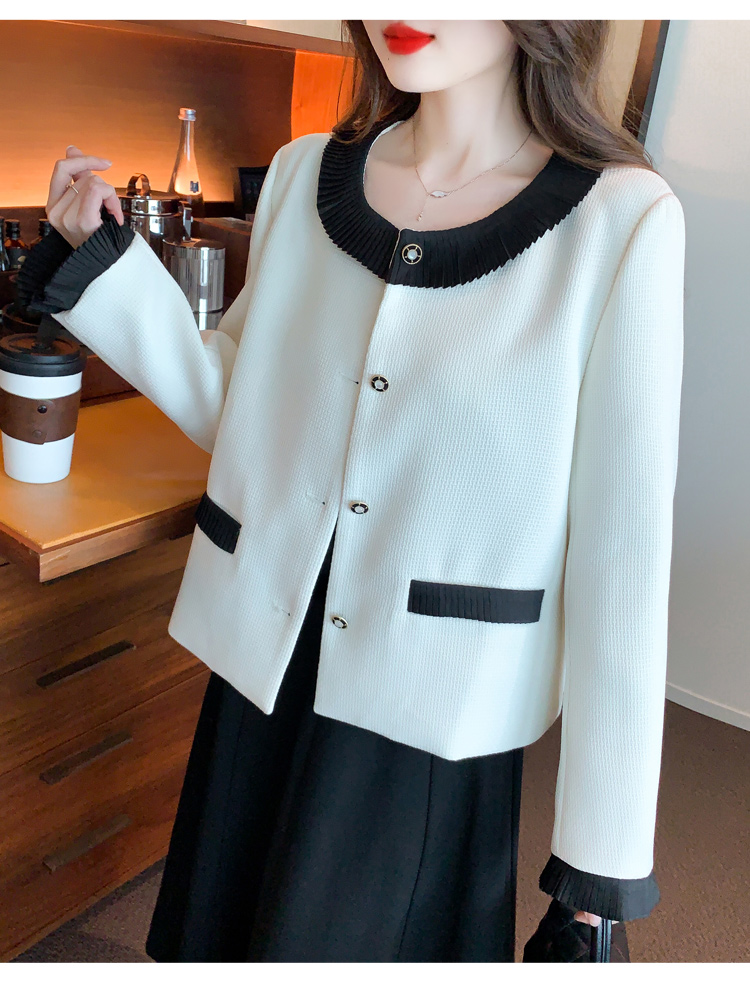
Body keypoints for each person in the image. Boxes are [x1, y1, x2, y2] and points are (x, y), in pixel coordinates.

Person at [17, 20, 685, 962]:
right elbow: (246, 413)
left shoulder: (620, 220)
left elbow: (624, 559)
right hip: (265, 663)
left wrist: (597, 872)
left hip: (427, 718)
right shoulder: (306, 175)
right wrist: (106, 261)